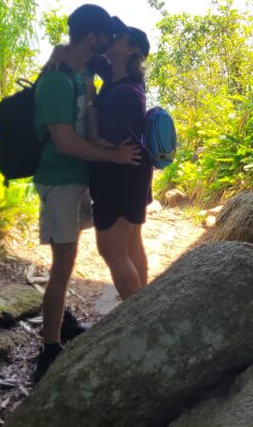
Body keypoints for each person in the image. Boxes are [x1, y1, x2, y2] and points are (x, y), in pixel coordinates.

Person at [32, 4, 142, 383]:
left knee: (85, 254)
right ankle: (48, 350)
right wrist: (111, 154)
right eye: (106, 36)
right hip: (59, 182)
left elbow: (104, 66)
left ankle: (61, 321)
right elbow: (63, 142)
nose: (111, 40)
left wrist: (61, 51)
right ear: (93, 37)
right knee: (63, 264)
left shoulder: (80, 75)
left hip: (79, 181)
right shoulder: (57, 82)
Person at [85, 27, 154, 299]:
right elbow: (93, 57)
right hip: (133, 176)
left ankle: (136, 318)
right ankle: (144, 304)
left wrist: (91, 100)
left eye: (118, 37)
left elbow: (99, 138)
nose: (110, 38)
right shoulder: (121, 78)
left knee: (112, 250)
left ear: (131, 50)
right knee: (131, 243)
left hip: (119, 180)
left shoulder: (123, 93)